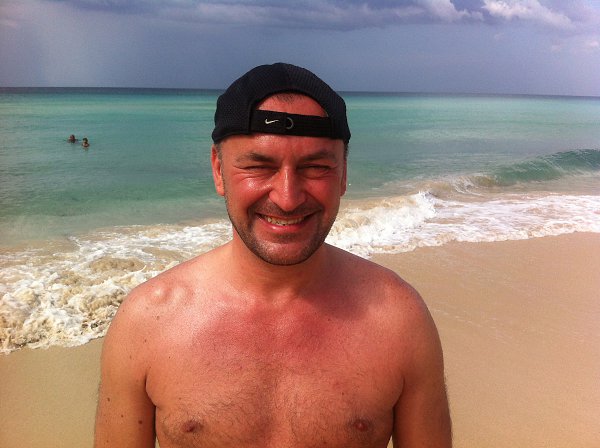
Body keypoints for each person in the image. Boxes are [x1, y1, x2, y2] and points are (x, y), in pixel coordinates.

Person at [94, 63, 451, 448]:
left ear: (344, 173)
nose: (287, 198)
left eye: (316, 167)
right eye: (258, 166)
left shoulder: (398, 319)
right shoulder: (147, 322)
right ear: (218, 170)